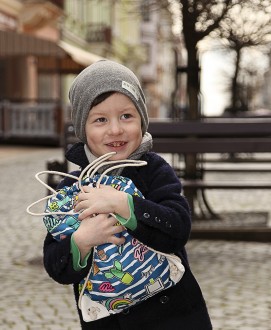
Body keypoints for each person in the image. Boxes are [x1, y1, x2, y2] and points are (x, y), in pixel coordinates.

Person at [43, 60, 213, 330]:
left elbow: (178, 228)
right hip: (110, 323)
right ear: (81, 128)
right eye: (100, 119)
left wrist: (124, 204)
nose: (115, 130)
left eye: (126, 116)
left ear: (142, 119)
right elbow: (56, 266)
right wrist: (81, 242)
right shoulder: (70, 190)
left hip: (174, 316)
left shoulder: (153, 170)